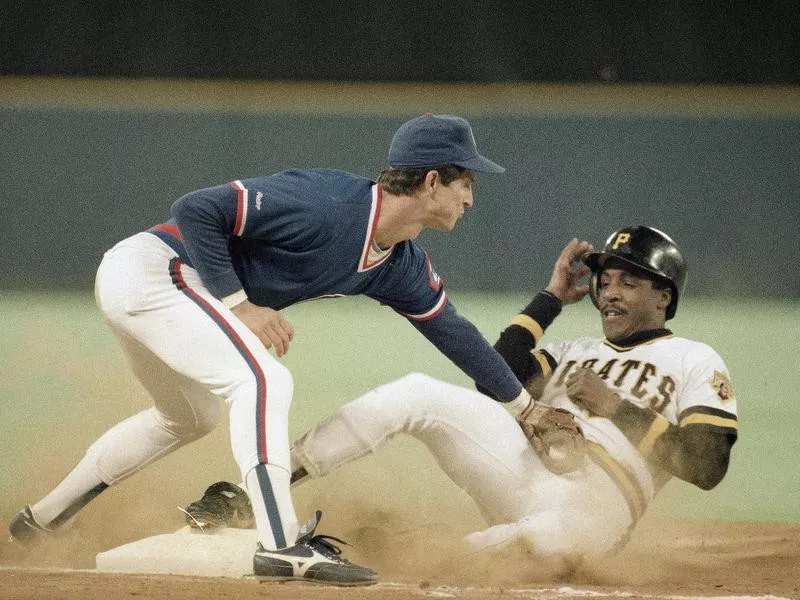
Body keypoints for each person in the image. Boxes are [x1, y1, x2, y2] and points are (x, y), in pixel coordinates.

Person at [8, 114, 537, 586]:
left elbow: (453, 331)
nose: (470, 196)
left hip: (161, 287)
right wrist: (240, 305)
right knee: (263, 381)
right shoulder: (328, 203)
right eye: (465, 181)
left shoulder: (399, 263)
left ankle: (40, 522)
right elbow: (196, 209)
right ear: (430, 181)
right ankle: (281, 545)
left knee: (188, 417)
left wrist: (526, 409)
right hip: (153, 269)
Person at [183, 227, 738, 565]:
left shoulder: (694, 359)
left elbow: (709, 464)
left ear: (664, 297)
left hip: (596, 507)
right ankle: (259, 492)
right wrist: (548, 299)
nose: (610, 292)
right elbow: (494, 374)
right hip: (525, 468)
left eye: (629, 283)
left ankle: (400, 553)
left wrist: (619, 407)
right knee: (419, 392)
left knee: (535, 545)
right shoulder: (576, 347)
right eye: (606, 280)